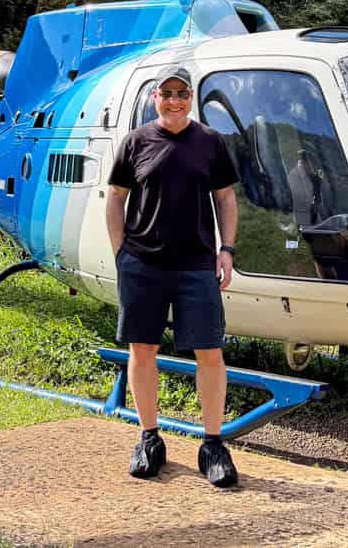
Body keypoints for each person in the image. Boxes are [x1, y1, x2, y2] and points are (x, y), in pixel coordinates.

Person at [105, 65, 240, 487]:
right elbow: (115, 200)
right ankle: (149, 439)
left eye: (182, 93)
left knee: (210, 353)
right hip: (142, 264)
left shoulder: (211, 142)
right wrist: (121, 253)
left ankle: (213, 445)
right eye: (167, 93)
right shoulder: (136, 142)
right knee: (142, 350)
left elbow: (226, 199)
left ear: (191, 99)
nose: (175, 100)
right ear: (155, 98)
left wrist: (227, 250)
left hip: (197, 264)